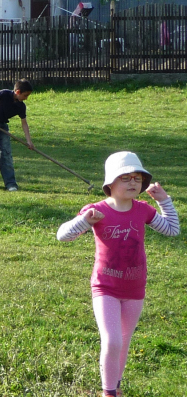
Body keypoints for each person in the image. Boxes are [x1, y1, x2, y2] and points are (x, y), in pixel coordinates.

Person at [57, 152, 179, 397]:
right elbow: (63, 235)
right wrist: (85, 221)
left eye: (137, 178)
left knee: (123, 342)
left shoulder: (142, 210)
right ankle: (108, 392)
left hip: (135, 289)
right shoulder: (96, 210)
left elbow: (172, 230)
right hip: (106, 287)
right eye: (125, 178)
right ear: (109, 183)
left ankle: (115, 386)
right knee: (112, 341)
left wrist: (164, 201)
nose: (133, 182)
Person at [0, 79, 33, 191]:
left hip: (3, 128)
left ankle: (10, 184)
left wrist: (29, 141)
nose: (26, 98)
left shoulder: (21, 106)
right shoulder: (4, 93)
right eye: (25, 95)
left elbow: (24, 123)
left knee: (6, 155)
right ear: (17, 92)